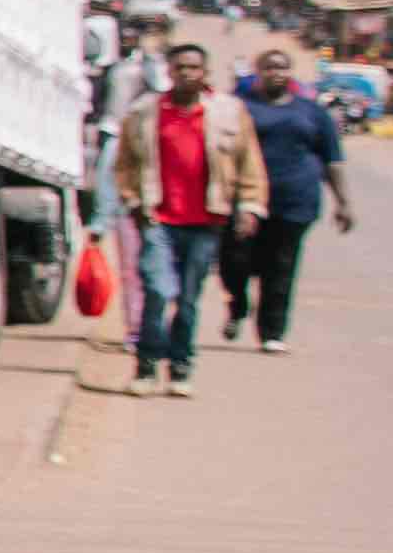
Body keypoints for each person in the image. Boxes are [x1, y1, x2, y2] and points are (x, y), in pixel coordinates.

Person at [125, 40, 260, 389]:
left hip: (206, 222)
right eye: (180, 67)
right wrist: (132, 201)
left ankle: (181, 367)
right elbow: (125, 164)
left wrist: (248, 206)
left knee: (187, 299)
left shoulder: (228, 112)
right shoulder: (144, 113)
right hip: (159, 219)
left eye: (193, 68)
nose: (186, 74)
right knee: (156, 291)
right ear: (169, 71)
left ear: (205, 72)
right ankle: (146, 366)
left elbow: (249, 164)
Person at [227, 50, 351, 347]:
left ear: (291, 72)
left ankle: (272, 332)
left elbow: (332, 159)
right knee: (236, 261)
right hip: (246, 200)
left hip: (296, 200)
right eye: (269, 68)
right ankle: (239, 305)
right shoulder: (240, 109)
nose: (276, 73)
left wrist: (343, 202)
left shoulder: (312, 113)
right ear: (258, 72)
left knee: (281, 266)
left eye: (282, 67)